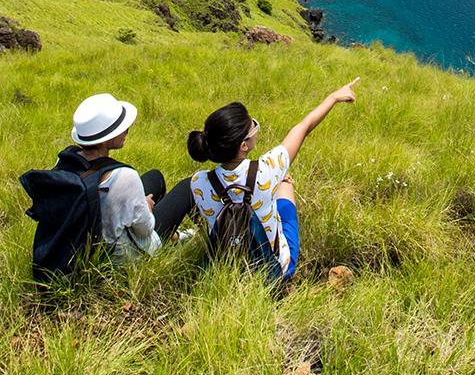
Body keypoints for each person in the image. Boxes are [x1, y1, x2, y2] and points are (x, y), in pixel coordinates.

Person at [187, 79, 359, 281]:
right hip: (274, 272)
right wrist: (333, 97)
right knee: (285, 184)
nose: (255, 127)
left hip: (227, 272)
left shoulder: (198, 182)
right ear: (243, 146)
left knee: (276, 183)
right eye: (253, 126)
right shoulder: (268, 168)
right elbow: (304, 127)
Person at [69, 92, 193, 262]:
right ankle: (202, 241)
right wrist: (146, 208)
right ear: (106, 139)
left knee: (154, 177)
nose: (126, 131)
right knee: (188, 186)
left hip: (78, 247)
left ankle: (174, 236)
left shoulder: (66, 161)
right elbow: (146, 229)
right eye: (123, 128)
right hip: (121, 257)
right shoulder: (123, 176)